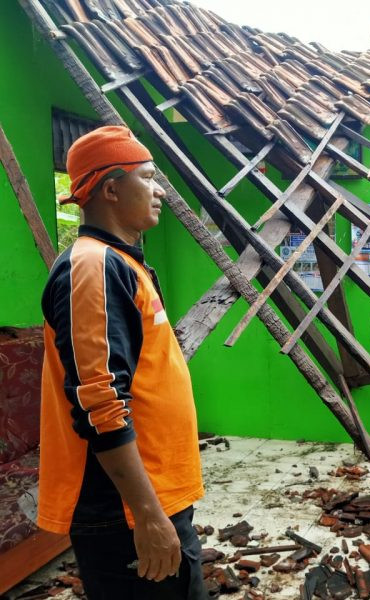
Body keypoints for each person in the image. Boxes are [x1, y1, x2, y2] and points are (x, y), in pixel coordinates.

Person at [39, 126, 207, 599]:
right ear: (110, 189)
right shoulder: (92, 267)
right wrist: (148, 515)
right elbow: (100, 400)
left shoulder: (120, 262)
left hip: (154, 495)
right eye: (149, 177)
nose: (159, 191)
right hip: (126, 509)